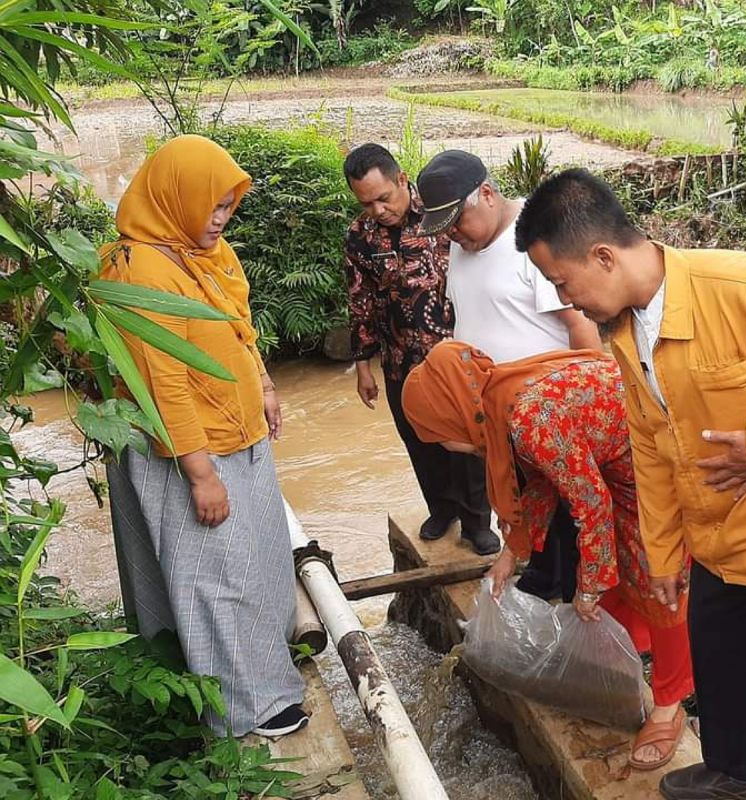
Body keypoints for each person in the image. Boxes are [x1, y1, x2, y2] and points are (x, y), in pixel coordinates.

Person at [514, 168, 746, 800]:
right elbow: (652, 448)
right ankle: (738, 773)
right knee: (721, 669)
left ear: (602, 257)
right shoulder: (627, 331)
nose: (566, 303)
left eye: (563, 284)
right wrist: (662, 551)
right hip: (717, 541)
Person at [401, 340, 695, 769]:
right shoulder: (504, 396)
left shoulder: (530, 419)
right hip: (615, 460)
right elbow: (545, 482)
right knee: (609, 568)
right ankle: (626, 651)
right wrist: (512, 552)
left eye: (438, 433)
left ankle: (670, 702)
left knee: (659, 579)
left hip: (651, 465)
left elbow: (591, 504)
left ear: (453, 411)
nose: (443, 446)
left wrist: (589, 588)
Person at [99, 135, 307, 738]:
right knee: (218, 578)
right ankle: (249, 707)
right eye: (211, 206)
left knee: (259, 559)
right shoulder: (138, 268)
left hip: (232, 436)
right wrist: (200, 473)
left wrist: (264, 385)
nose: (220, 219)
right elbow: (162, 381)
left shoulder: (202, 254)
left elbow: (237, 332)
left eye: (227, 206)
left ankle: (260, 669)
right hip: (190, 451)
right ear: (174, 196)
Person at [415, 150, 603, 601]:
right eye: (445, 230)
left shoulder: (535, 238)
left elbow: (581, 326)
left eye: (458, 222)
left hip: (552, 413)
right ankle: (542, 575)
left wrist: (597, 397)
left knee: (568, 506)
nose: (455, 236)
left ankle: (583, 590)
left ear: (487, 193)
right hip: (503, 419)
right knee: (524, 504)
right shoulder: (464, 248)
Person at [342, 143, 497, 555]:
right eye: (366, 202)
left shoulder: (441, 214)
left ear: (402, 181)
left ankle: (478, 521)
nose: (377, 209)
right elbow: (361, 302)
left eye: (384, 198)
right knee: (419, 440)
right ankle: (442, 509)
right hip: (400, 359)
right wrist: (363, 366)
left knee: (469, 439)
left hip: (456, 355)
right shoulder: (360, 237)